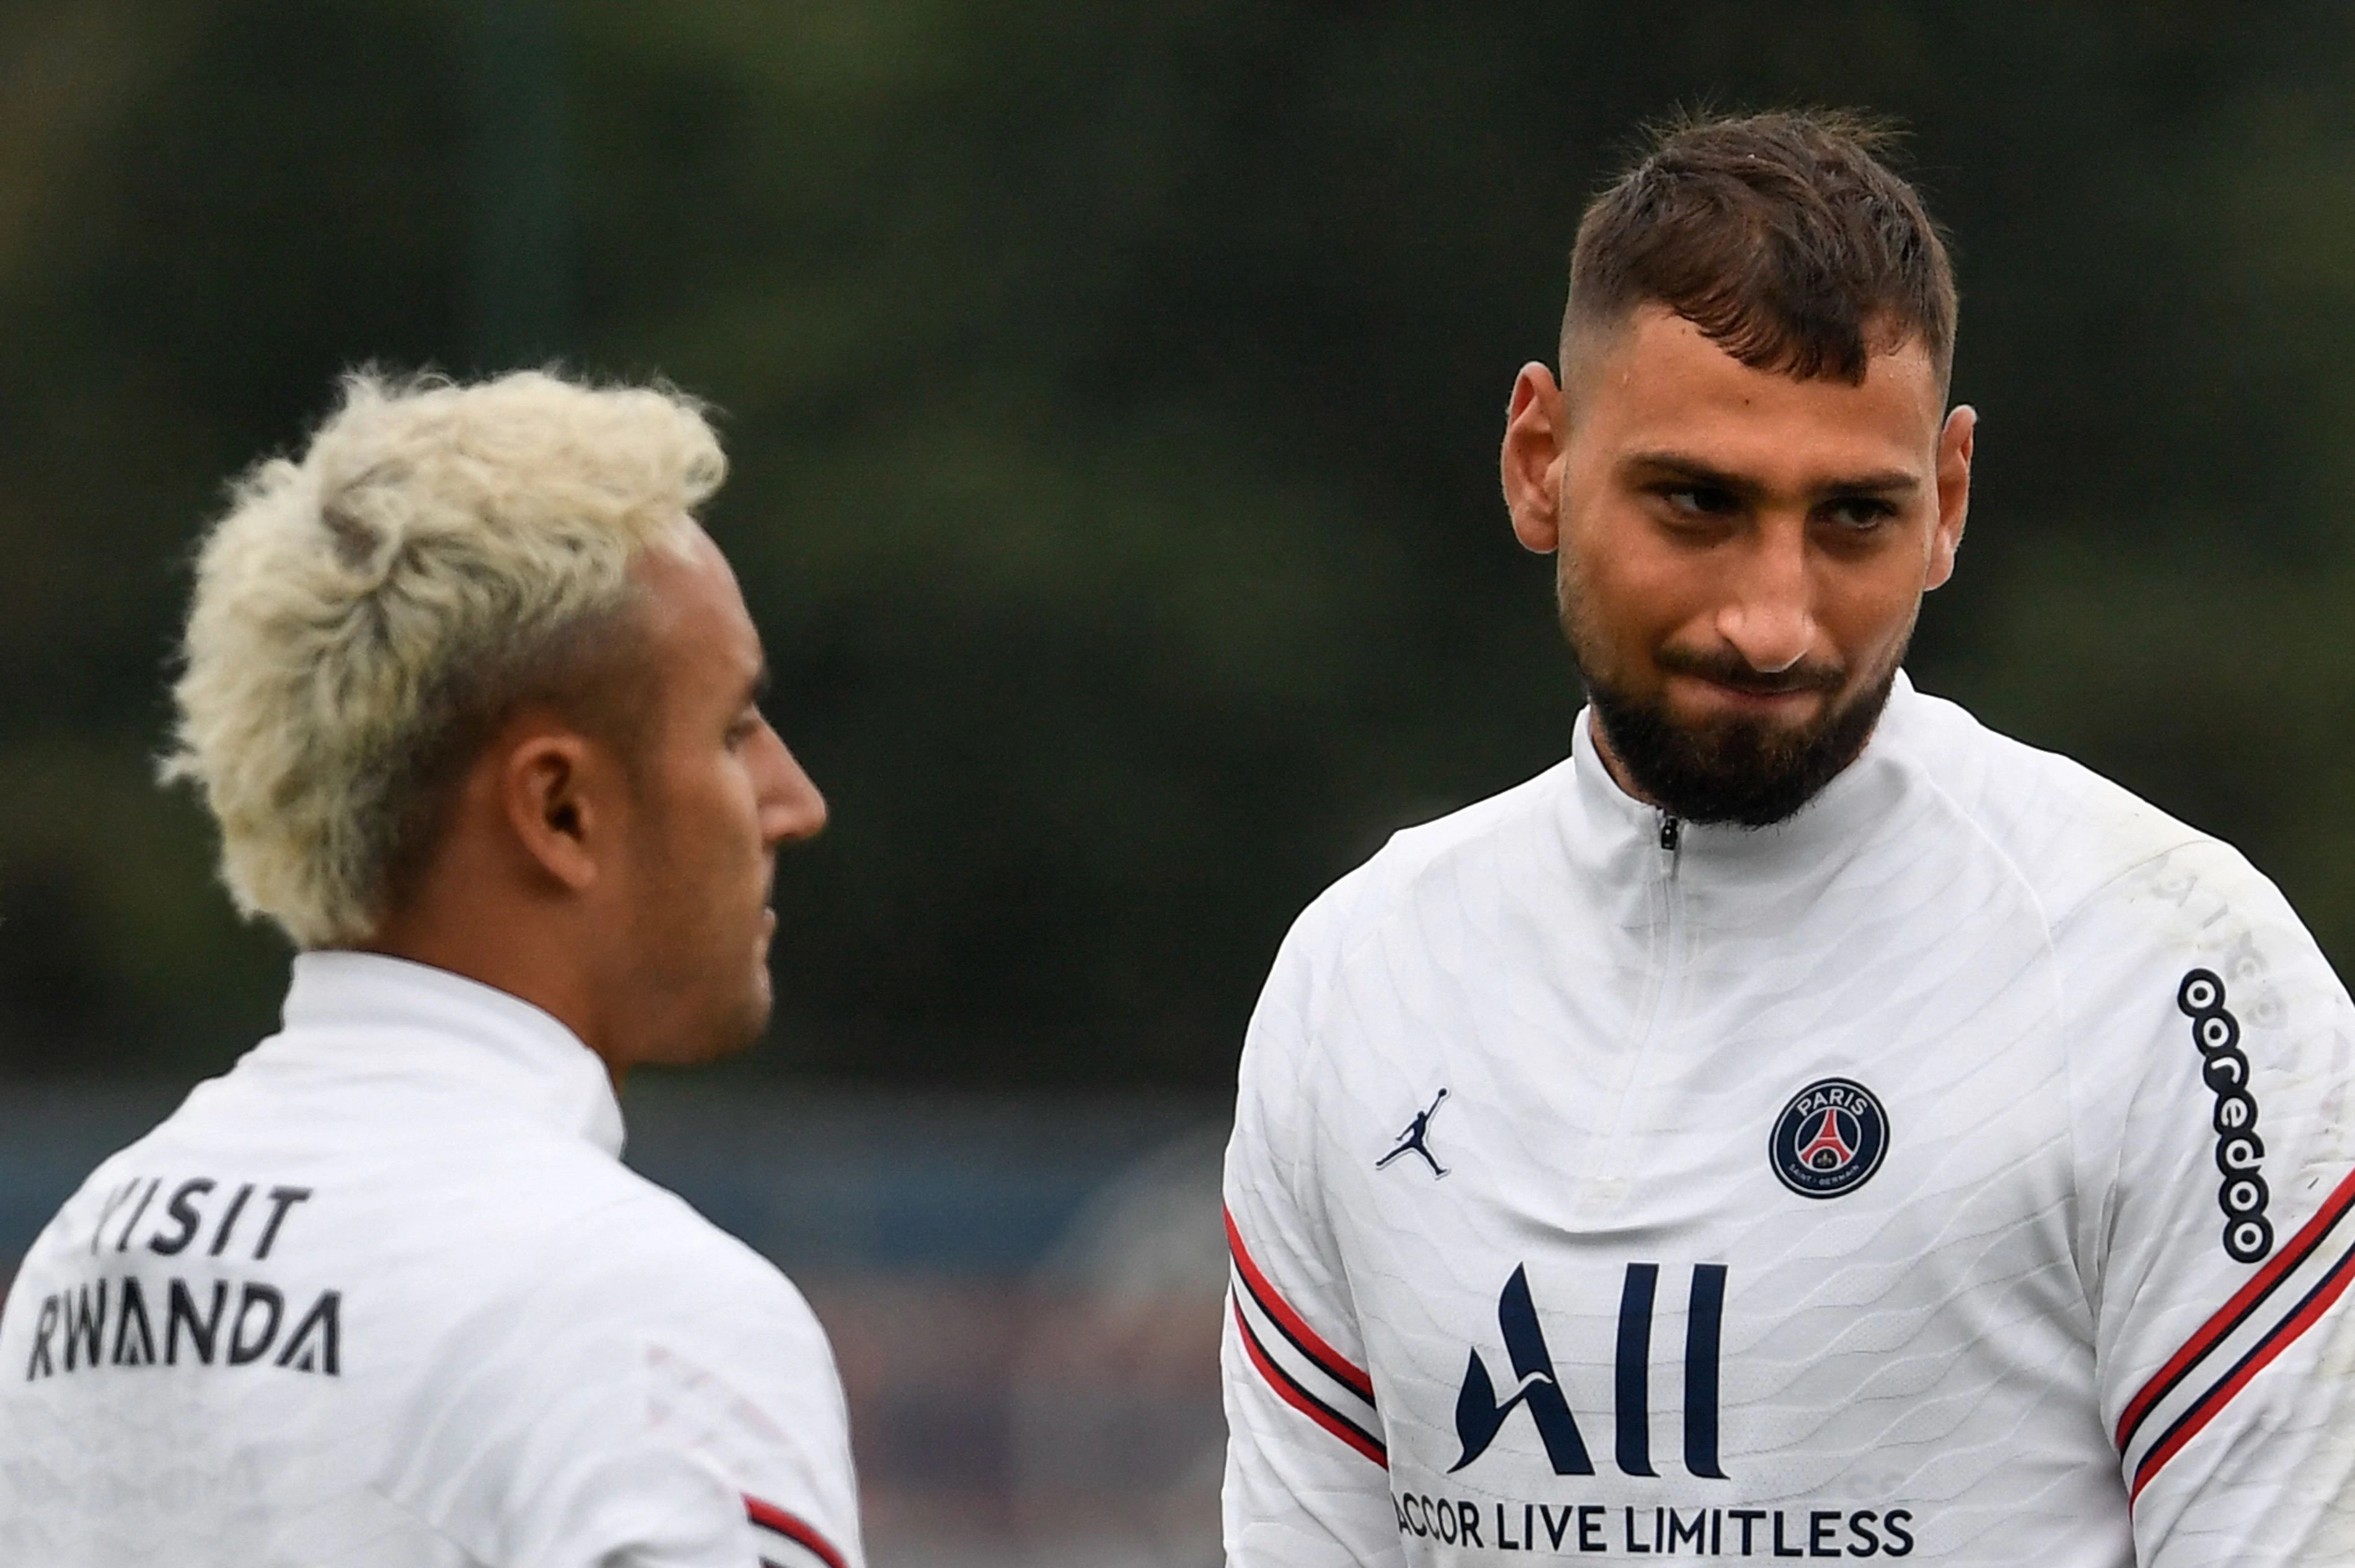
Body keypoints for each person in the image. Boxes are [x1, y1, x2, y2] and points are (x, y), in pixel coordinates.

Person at [1220, 110, 2355, 1567]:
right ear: (1538, 460)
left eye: (1854, 518)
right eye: (1697, 502)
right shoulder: (1357, 975)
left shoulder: (2174, 967)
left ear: (1945, 503)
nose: (1773, 615)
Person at [0, 370, 861, 1568]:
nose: (794, 802)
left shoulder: (83, 1262)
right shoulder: (650, 1316)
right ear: (558, 807)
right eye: (731, 729)